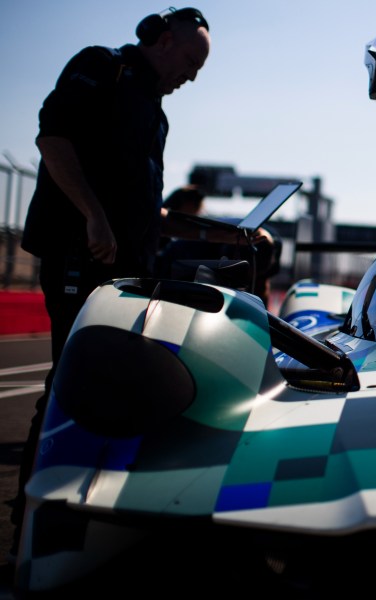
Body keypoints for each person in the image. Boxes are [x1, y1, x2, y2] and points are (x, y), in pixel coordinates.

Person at [12, 7, 212, 556]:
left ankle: (91, 526)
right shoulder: (103, 68)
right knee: (67, 390)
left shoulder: (155, 111)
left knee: (108, 391)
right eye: (191, 62)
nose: (192, 76)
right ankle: (29, 535)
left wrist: (226, 235)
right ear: (164, 41)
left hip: (127, 276)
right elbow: (52, 138)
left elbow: (151, 211)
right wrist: (93, 215)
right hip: (80, 258)